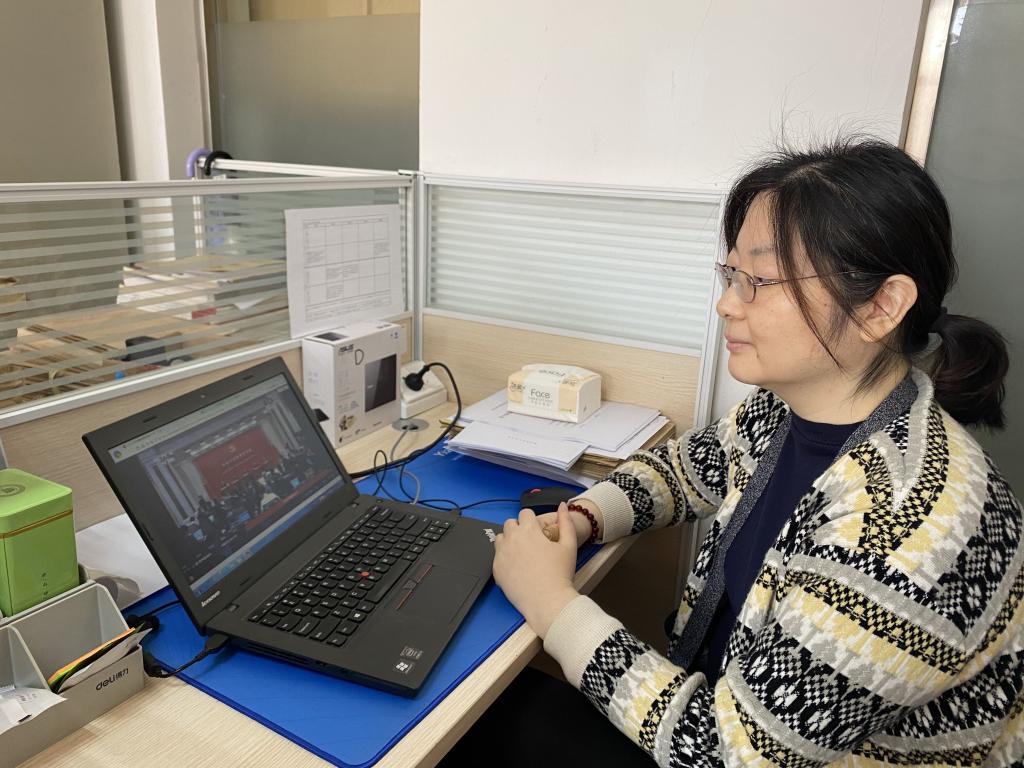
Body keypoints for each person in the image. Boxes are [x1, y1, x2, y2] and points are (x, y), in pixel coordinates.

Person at [440, 139, 1022, 767]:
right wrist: (584, 517)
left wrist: (553, 604)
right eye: (732, 274)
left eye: (760, 281)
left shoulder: (909, 528)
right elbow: (689, 469)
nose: (726, 303)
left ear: (881, 306)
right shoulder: (795, 405)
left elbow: (729, 755)